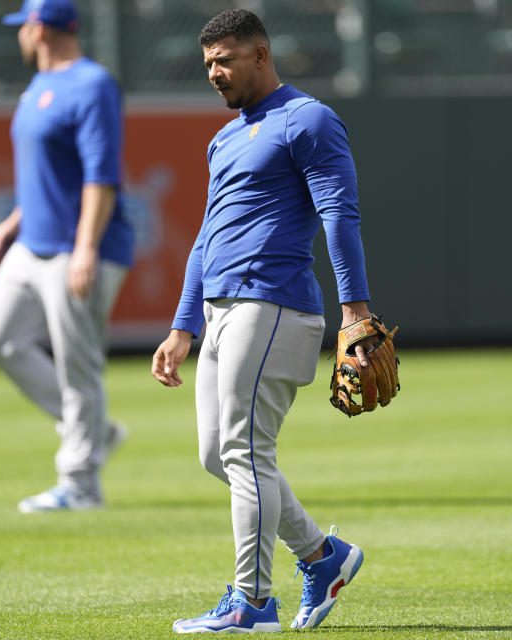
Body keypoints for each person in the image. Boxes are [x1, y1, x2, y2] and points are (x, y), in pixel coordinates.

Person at [151, 8, 375, 633]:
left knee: (247, 451)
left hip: (273, 303)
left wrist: (354, 307)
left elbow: (340, 214)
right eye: (207, 64)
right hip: (222, 308)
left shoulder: (308, 120)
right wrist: (181, 326)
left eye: (224, 60)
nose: (214, 73)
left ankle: (252, 603)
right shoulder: (224, 138)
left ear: (260, 54)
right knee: (216, 455)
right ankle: (322, 556)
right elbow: (205, 237)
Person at [0, 0, 133, 513]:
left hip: (82, 247)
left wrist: (86, 247)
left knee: (77, 364)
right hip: (31, 242)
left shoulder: (92, 84)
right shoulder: (37, 87)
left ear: (39, 29)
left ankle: (82, 482)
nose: (19, 34)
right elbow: (50, 176)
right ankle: (92, 431)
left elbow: (100, 176)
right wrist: (11, 224)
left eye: (23, 25)